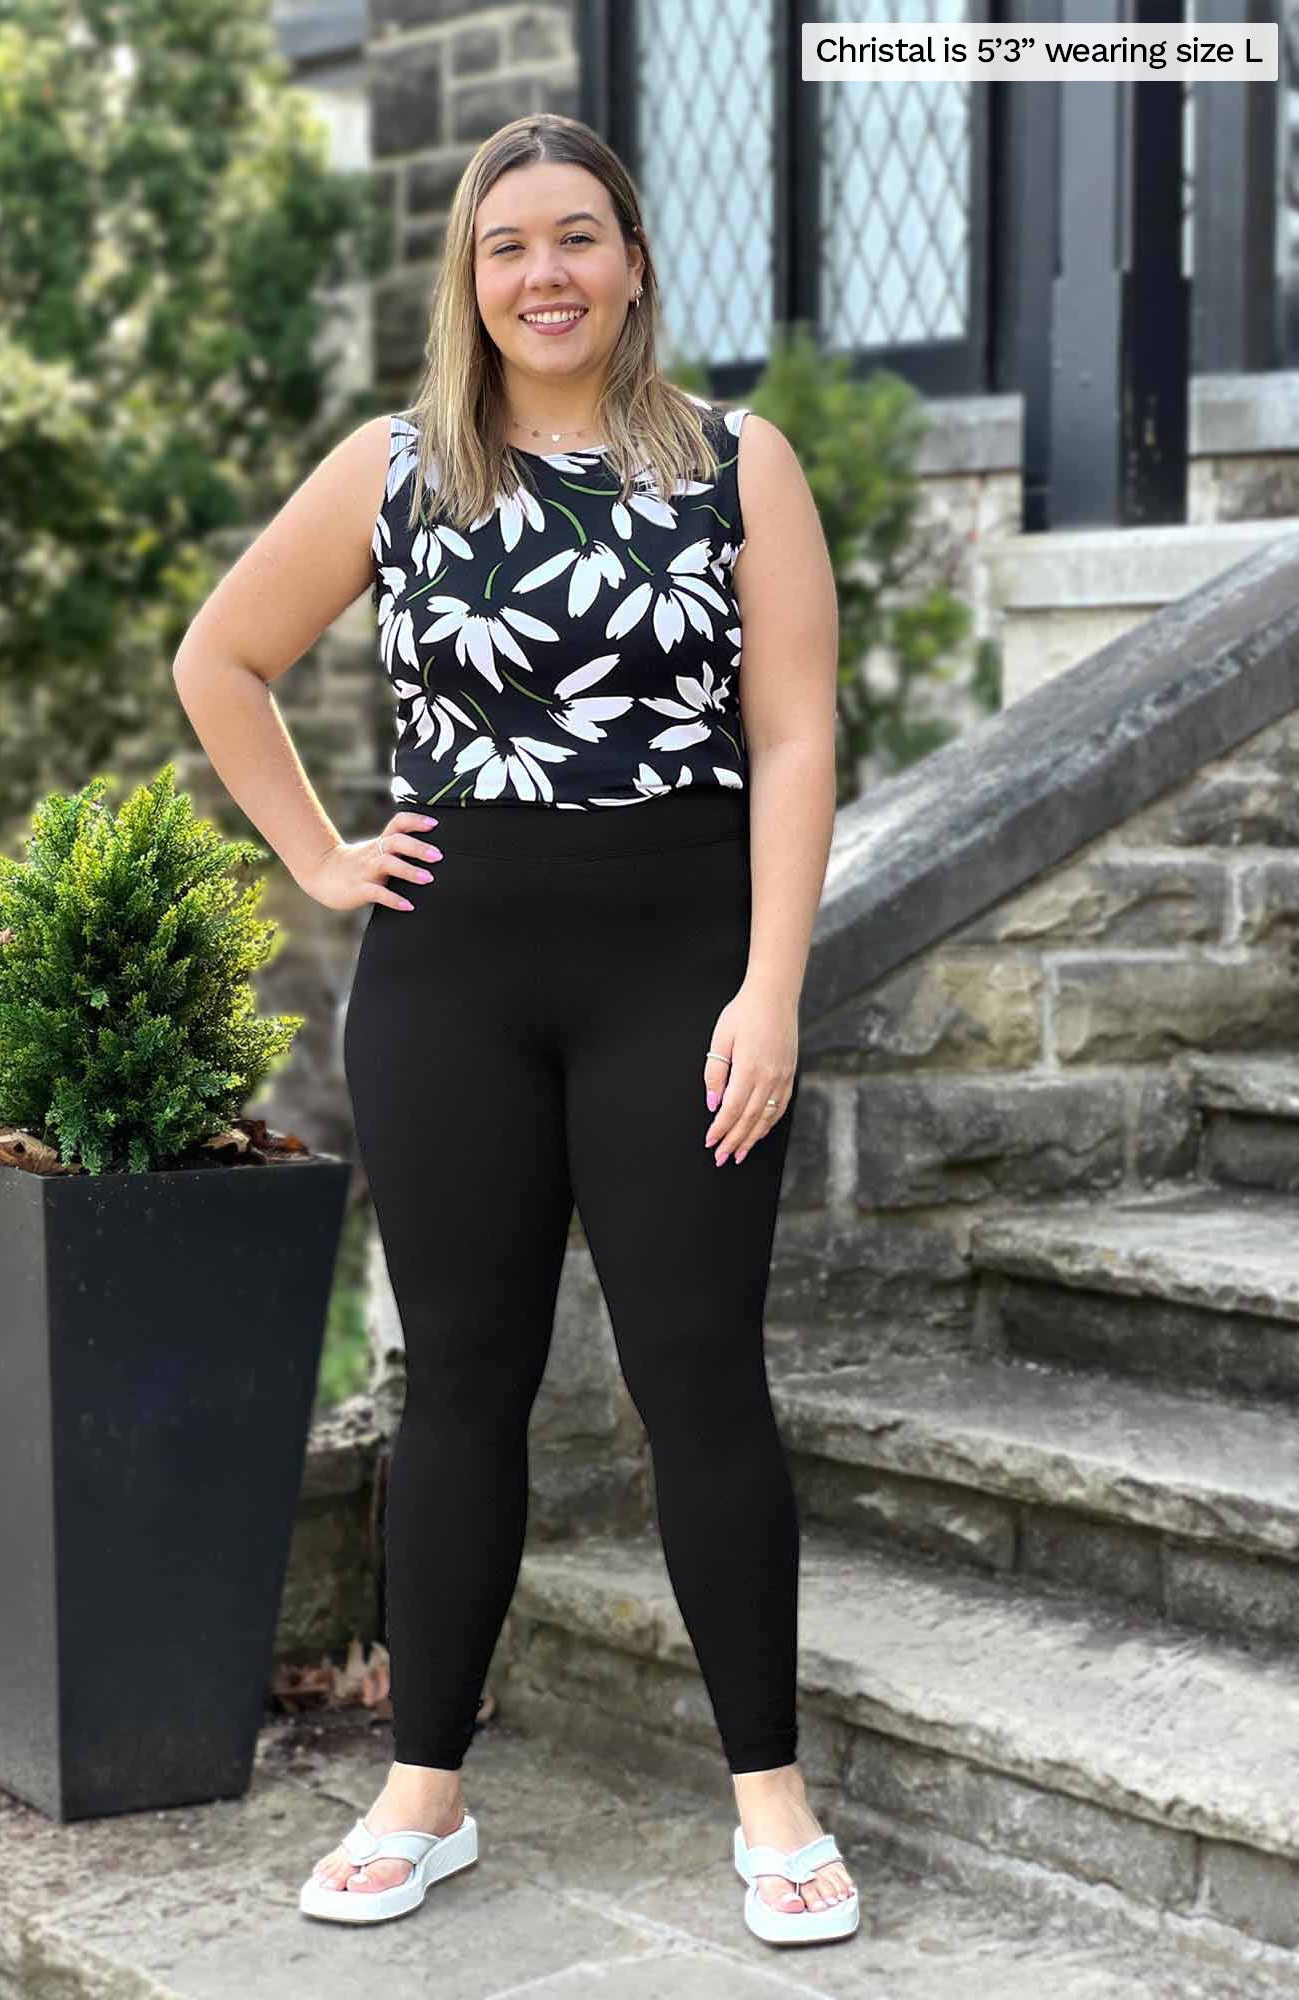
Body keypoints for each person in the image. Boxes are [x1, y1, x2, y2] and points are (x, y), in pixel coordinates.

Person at [171, 112, 847, 1948]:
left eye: (574, 238)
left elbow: (793, 735)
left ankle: (771, 1806)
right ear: (468, 280)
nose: (540, 275)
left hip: (680, 980)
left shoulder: (734, 465)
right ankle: (425, 1793)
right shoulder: (397, 468)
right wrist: (318, 853)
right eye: (503, 247)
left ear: (630, 257)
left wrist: (771, 983)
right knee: (462, 1380)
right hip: (451, 982)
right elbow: (218, 657)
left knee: (697, 1373)